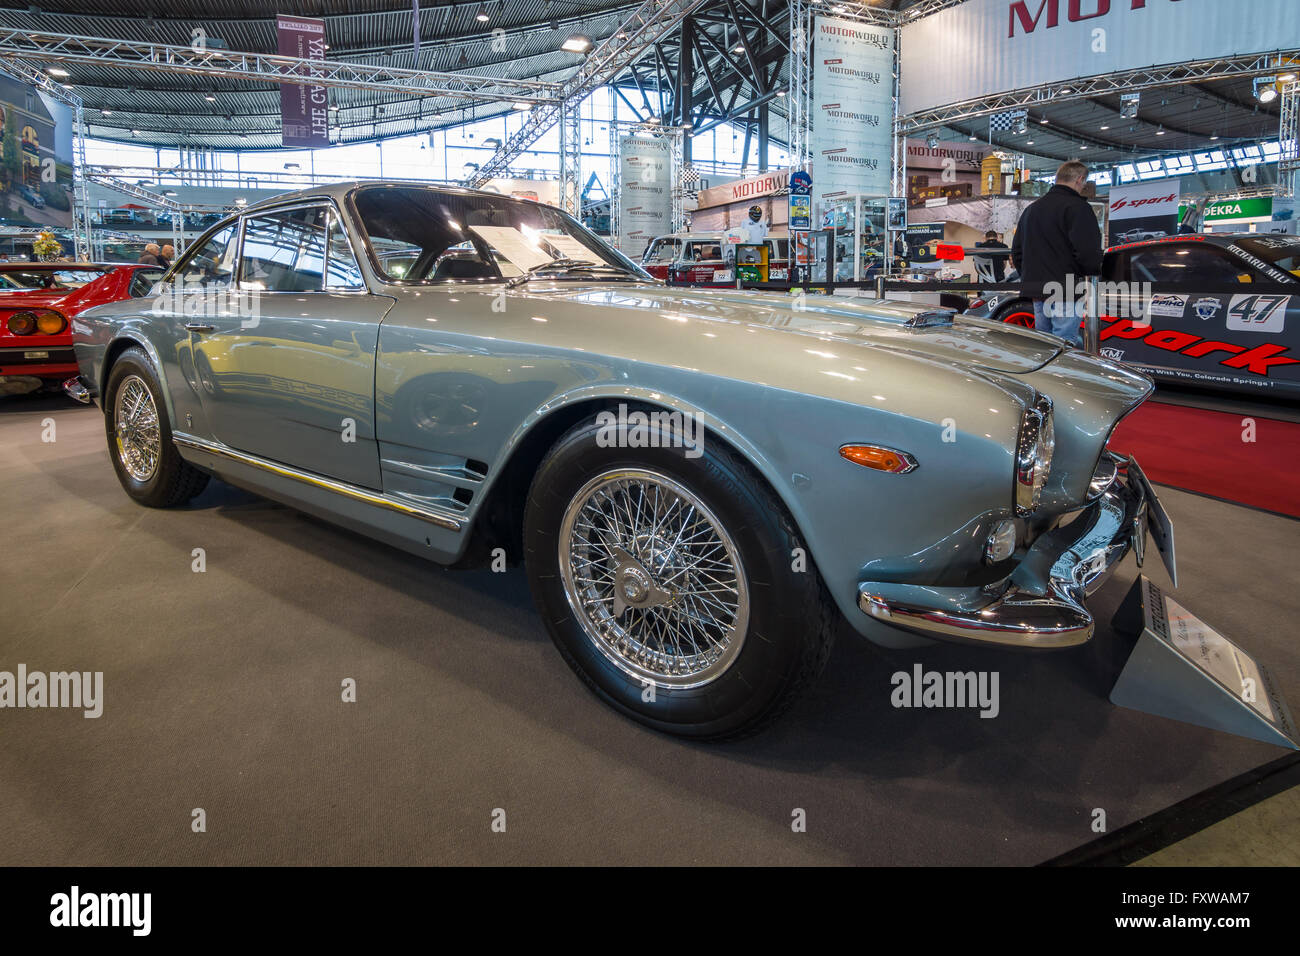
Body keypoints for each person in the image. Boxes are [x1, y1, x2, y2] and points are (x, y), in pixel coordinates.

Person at [1010, 160, 1102, 345]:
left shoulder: (1031, 210)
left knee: (1043, 344)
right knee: (1063, 344)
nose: (1083, 186)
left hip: (1037, 289)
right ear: (1080, 179)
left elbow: (1017, 251)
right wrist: (1090, 273)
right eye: (1084, 183)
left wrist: (1029, 277)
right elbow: (1088, 252)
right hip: (1066, 288)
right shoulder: (1078, 208)